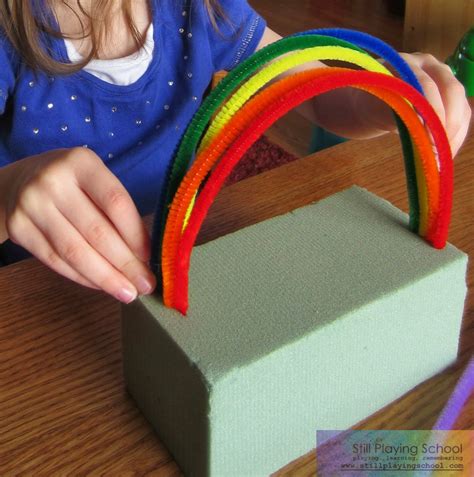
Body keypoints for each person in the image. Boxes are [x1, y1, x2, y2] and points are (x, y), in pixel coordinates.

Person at [0, 0, 470, 304]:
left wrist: (377, 94)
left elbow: (316, 91)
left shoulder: (201, 7)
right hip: (40, 290)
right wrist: (9, 193)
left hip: (186, 259)